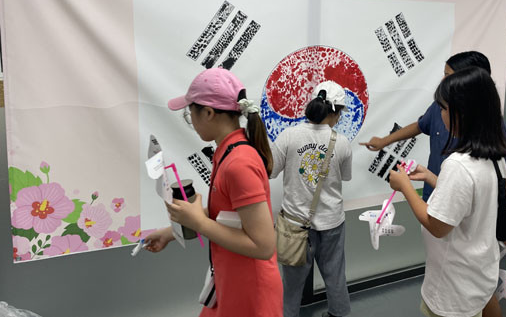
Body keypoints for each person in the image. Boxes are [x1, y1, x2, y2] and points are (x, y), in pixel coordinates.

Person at [361, 51, 506, 317]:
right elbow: (471, 196)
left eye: (444, 108)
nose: (440, 112)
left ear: (462, 110)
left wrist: (405, 186)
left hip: (453, 286)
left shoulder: (459, 165)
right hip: (476, 270)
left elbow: (437, 226)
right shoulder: (492, 155)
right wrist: (431, 178)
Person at [145, 68, 283, 317]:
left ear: (208, 113)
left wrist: (198, 222)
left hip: (251, 291)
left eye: (190, 113)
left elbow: (263, 246)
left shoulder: (239, 163)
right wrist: (172, 232)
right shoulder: (227, 152)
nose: (191, 120)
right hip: (230, 278)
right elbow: (229, 212)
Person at [270, 81, 352, 317]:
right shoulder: (342, 142)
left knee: (291, 285)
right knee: (335, 276)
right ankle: (339, 314)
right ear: (336, 112)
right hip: (332, 222)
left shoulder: (288, 136)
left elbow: (271, 171)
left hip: (295, 225)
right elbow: (345, 177)